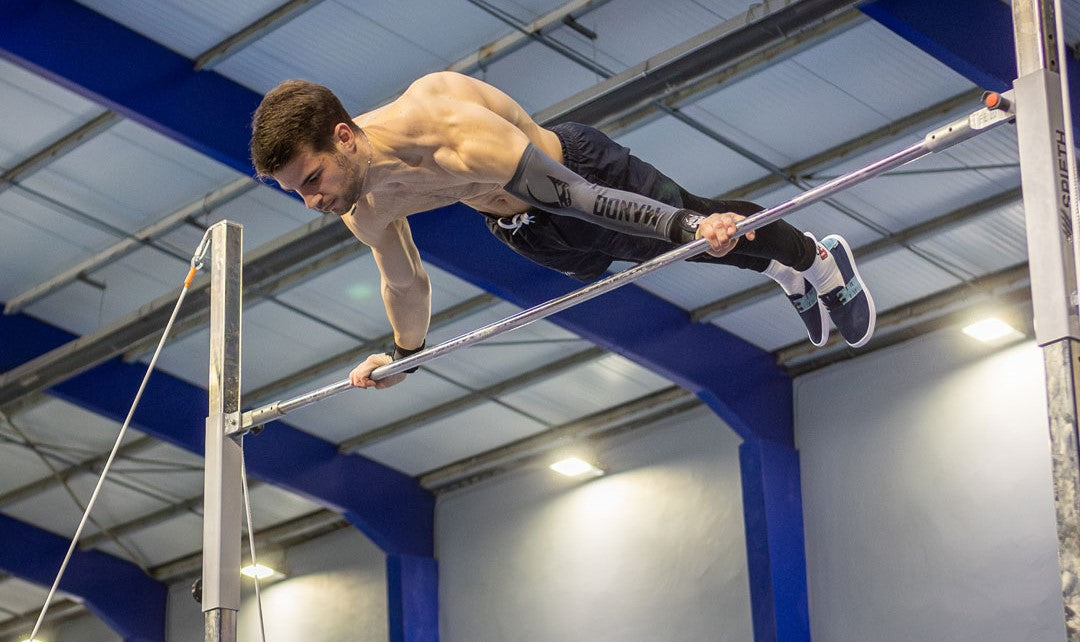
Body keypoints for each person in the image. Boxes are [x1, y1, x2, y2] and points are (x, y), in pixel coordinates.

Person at [249, 75, 877, 390]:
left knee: (690, 229)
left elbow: (580, 198)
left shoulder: (444, 127)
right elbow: (404, 281)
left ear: (342, 136)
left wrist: (687, 226)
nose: (311, 202)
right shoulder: (364, 204)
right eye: (297, 192)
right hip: (520, 226)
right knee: (627, 256)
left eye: (312, 179)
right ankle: (772, 265)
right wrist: (406, 359)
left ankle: (818, 263)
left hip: (575, 173)